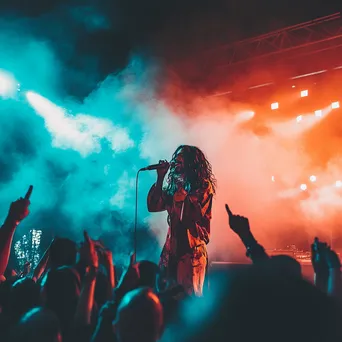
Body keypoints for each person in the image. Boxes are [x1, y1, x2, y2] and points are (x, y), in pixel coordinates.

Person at [147, 145, 216, 296]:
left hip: (191, 254)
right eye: (176, 156)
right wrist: (160, 177)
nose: (176, 159)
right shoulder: (175, 186)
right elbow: (153, 205)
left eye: (182, 156)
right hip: (171, 253)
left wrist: (180, 199)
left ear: (192, 163)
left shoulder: (203, 186)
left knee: (187, 300)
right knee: (166, 297)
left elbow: (187, 218)